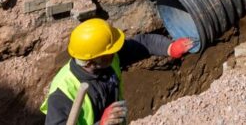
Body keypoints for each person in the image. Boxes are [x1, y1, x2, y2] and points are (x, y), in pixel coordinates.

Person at [42, 18, 195, 125]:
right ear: (90, 61)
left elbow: (143, 43)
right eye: (109, 52)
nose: (114, 53)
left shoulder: (107, 59)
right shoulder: (63, 92)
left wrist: (170, 48)